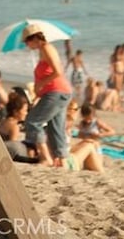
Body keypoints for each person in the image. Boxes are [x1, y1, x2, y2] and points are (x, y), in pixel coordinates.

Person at [21, 23, 72, 166]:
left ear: (34, 38)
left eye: (26, 41)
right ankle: (62, 160)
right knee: (55, 127)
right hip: (57, 92)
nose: (26, 45)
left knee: (33, 121)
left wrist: (41, 84)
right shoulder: (43, 50)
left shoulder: (46, 48)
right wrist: (39, 91)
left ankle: (45, 157)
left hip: (57, 91)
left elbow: (58, 72)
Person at [0, 90, 37, 161]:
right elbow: (13, 146)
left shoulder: (3, 120)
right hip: (5, 151)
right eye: (24, 110)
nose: (26, 113)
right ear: (15, 111)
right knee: (31, 148)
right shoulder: (14, 126)